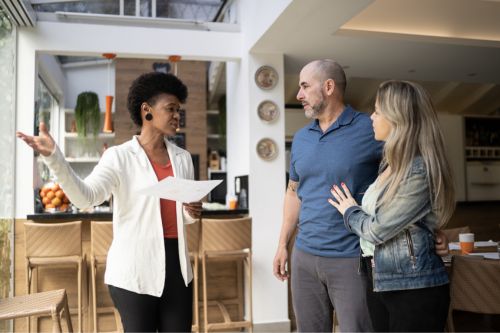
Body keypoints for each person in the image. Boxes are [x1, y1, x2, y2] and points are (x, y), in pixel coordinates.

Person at [272, 59, 450, 332]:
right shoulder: (301, 138)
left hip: (352, 258)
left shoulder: (370, 129)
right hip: (304, 255)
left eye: (305, 86)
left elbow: (414, 174)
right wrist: (283, 243)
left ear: (329, 86)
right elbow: (293, 191)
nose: (299, 94)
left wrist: (432, 228)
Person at [17, 72, 202, 332]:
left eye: (178, 110)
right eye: (171, 109)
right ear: (146, 111)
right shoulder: (119, 157)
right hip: (134, 270)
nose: (177, 116)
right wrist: (54, 158)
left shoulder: (182, 158)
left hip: (178, 268)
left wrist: (191, 211)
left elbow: (181, 214)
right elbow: (85, 198)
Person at [329, 80, 455, 332]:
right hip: (379, 278)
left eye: (377, 110)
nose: (371, 117)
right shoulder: (390, 165)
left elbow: (377, 229)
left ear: (397, 118)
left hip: (413, 287)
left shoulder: (418, 170)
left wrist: (349, 211)